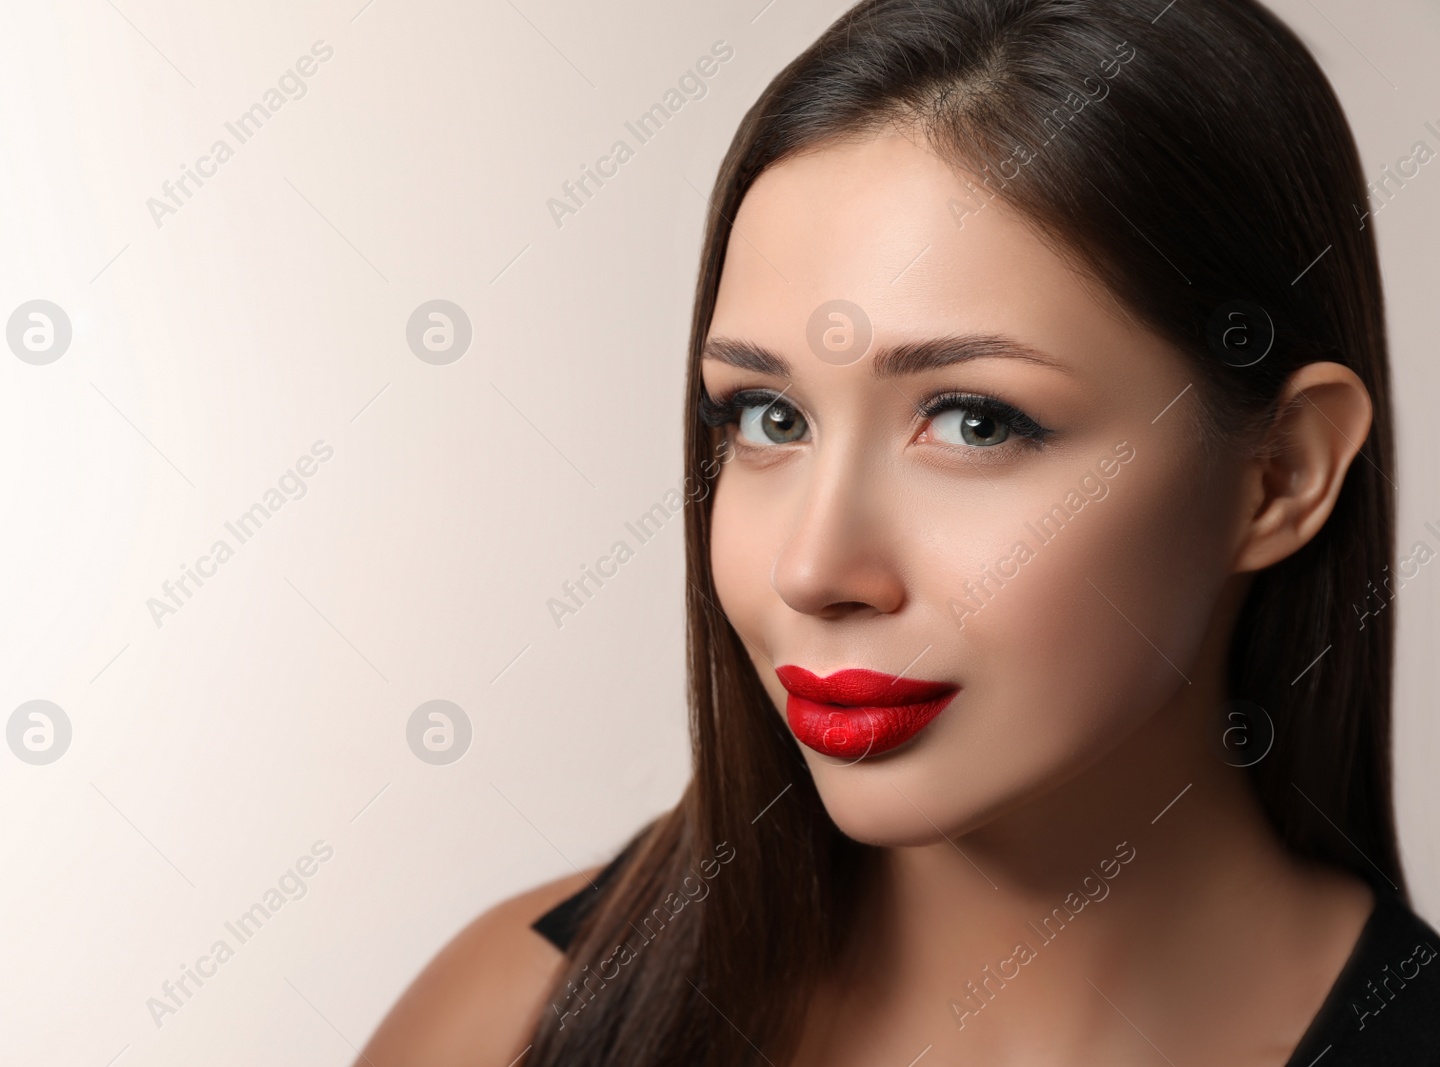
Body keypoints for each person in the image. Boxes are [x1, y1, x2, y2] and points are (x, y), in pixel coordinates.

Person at [366, 0, 1440, 1063]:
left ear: (1280, 473)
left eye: (976, 422)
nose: (813, 567)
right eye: (767, 418)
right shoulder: (507, 1017)